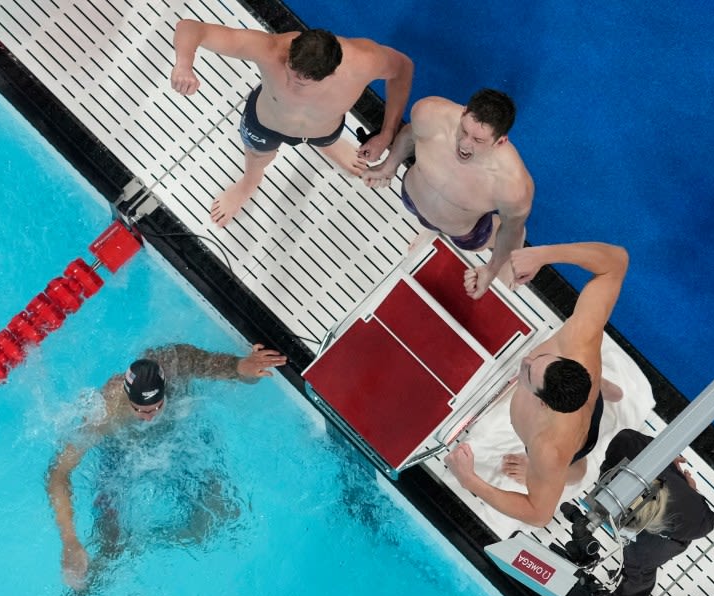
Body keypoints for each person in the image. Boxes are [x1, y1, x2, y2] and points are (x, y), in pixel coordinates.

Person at [47, 343, 286, 590]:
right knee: (111, 547)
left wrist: (245, 368)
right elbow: (58, 472)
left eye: (155, 408)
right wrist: (69, 539)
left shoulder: (177, 362)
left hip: (178, 444)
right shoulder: (106, 411)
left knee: (212, 522)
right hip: (123, 457)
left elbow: (234, 370)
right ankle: (82, 594)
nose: (148, 417)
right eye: (139, 410)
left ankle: (142, 542)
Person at [444, 241, 628, 527]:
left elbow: (539, 514)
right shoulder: (577, 343)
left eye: (529, 372)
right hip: (582, 385)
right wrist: (543, 255)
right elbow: (616, 262)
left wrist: (470, 480)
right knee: (589, 373)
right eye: (540, 359)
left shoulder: (548, 449)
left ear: (543, 401)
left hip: (575, 440)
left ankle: (597, 396)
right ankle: (598, 387)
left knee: (573, 469)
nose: (526, 362)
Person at [170, 20, 414, 227]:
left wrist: (386, 134)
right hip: (265, 125)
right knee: (257, 158)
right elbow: (191, 28)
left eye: (301, 82)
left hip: (324, 130)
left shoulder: (365, 61)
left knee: (326, 137)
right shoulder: (271, 49)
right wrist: (183, 64)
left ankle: (329, 145)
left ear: (330, 74)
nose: (290, 81)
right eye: (290, 70)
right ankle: (249, 182)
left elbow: (403, 69)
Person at [363, 89, 534, 299]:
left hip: (465, 232)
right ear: (463, 113)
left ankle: (502, 259)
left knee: (512, 226)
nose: (464, 144)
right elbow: (410, 134)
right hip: (413, 198)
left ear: (500, 142)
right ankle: (431, 228)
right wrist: (388, 166)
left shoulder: (511, 185)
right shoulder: (429, 114)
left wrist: (491, 270)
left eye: (478, 140)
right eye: (464, 130)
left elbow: (511, 231)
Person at [601, 429, 714, 596]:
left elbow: (706, 523)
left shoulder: (688, 512)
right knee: (639, 564)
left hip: (664, 533)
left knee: (639, 568)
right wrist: (665, 455)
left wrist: (690, 493)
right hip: (677, 501)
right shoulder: (627, 445)